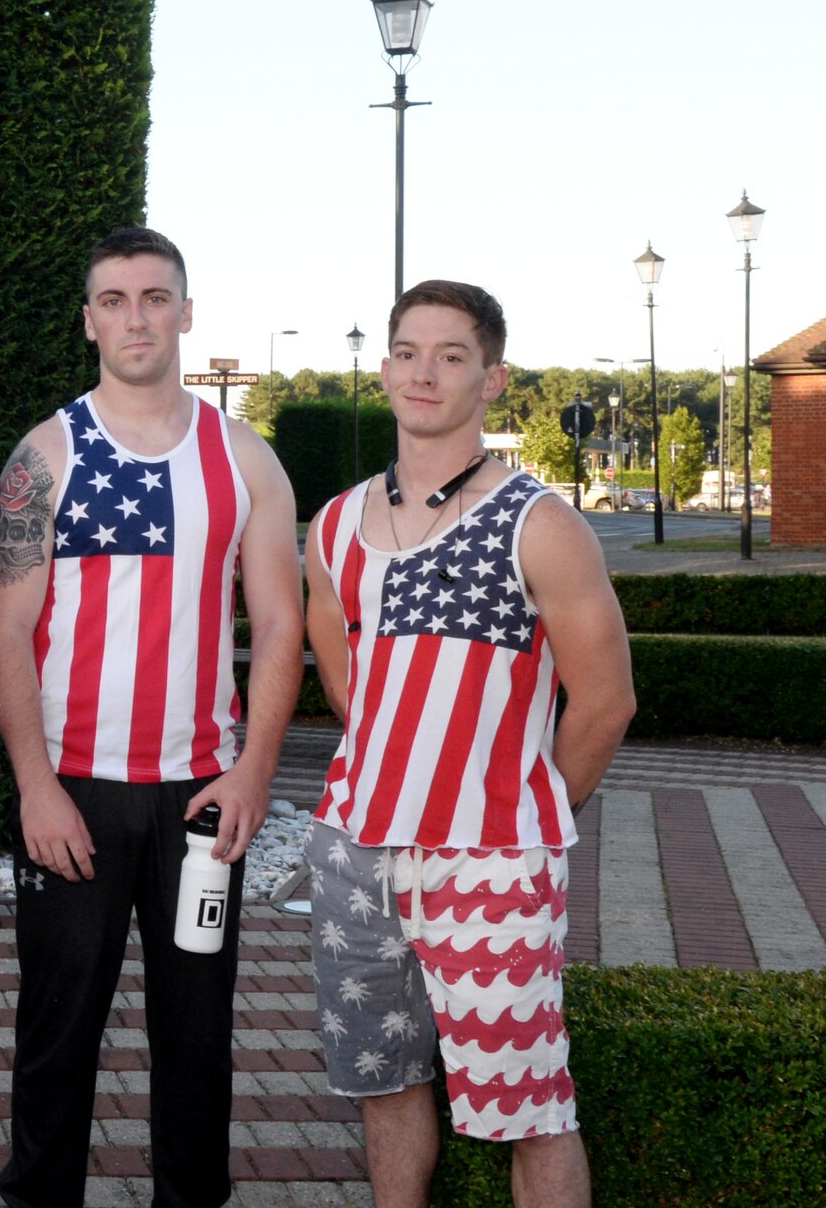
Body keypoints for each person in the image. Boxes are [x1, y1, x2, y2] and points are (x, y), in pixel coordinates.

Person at [0, 227, 305, 1208]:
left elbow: (281, 626)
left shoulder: (244, 458)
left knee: (197, 1036)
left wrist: (253, 773)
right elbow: (5, 628)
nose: (135, 318)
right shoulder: (44, 455)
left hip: (200, 801)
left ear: (185, 312)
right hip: (72, 795)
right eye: (114, 300)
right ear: (88, 320)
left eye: (154, 298)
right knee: (56, 1034)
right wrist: (35, 787)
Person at [304, 280, 635, 1208]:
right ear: (384, 369)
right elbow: (346, 684)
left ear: (492, 379)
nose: (424, 373)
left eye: (451, 357)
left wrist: (524, 808)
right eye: (408, 353)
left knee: (531, 1111)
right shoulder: (335, 524)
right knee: (385, 1086)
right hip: (354, 851)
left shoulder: (543, 524)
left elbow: (606, 703)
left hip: (492, 864)